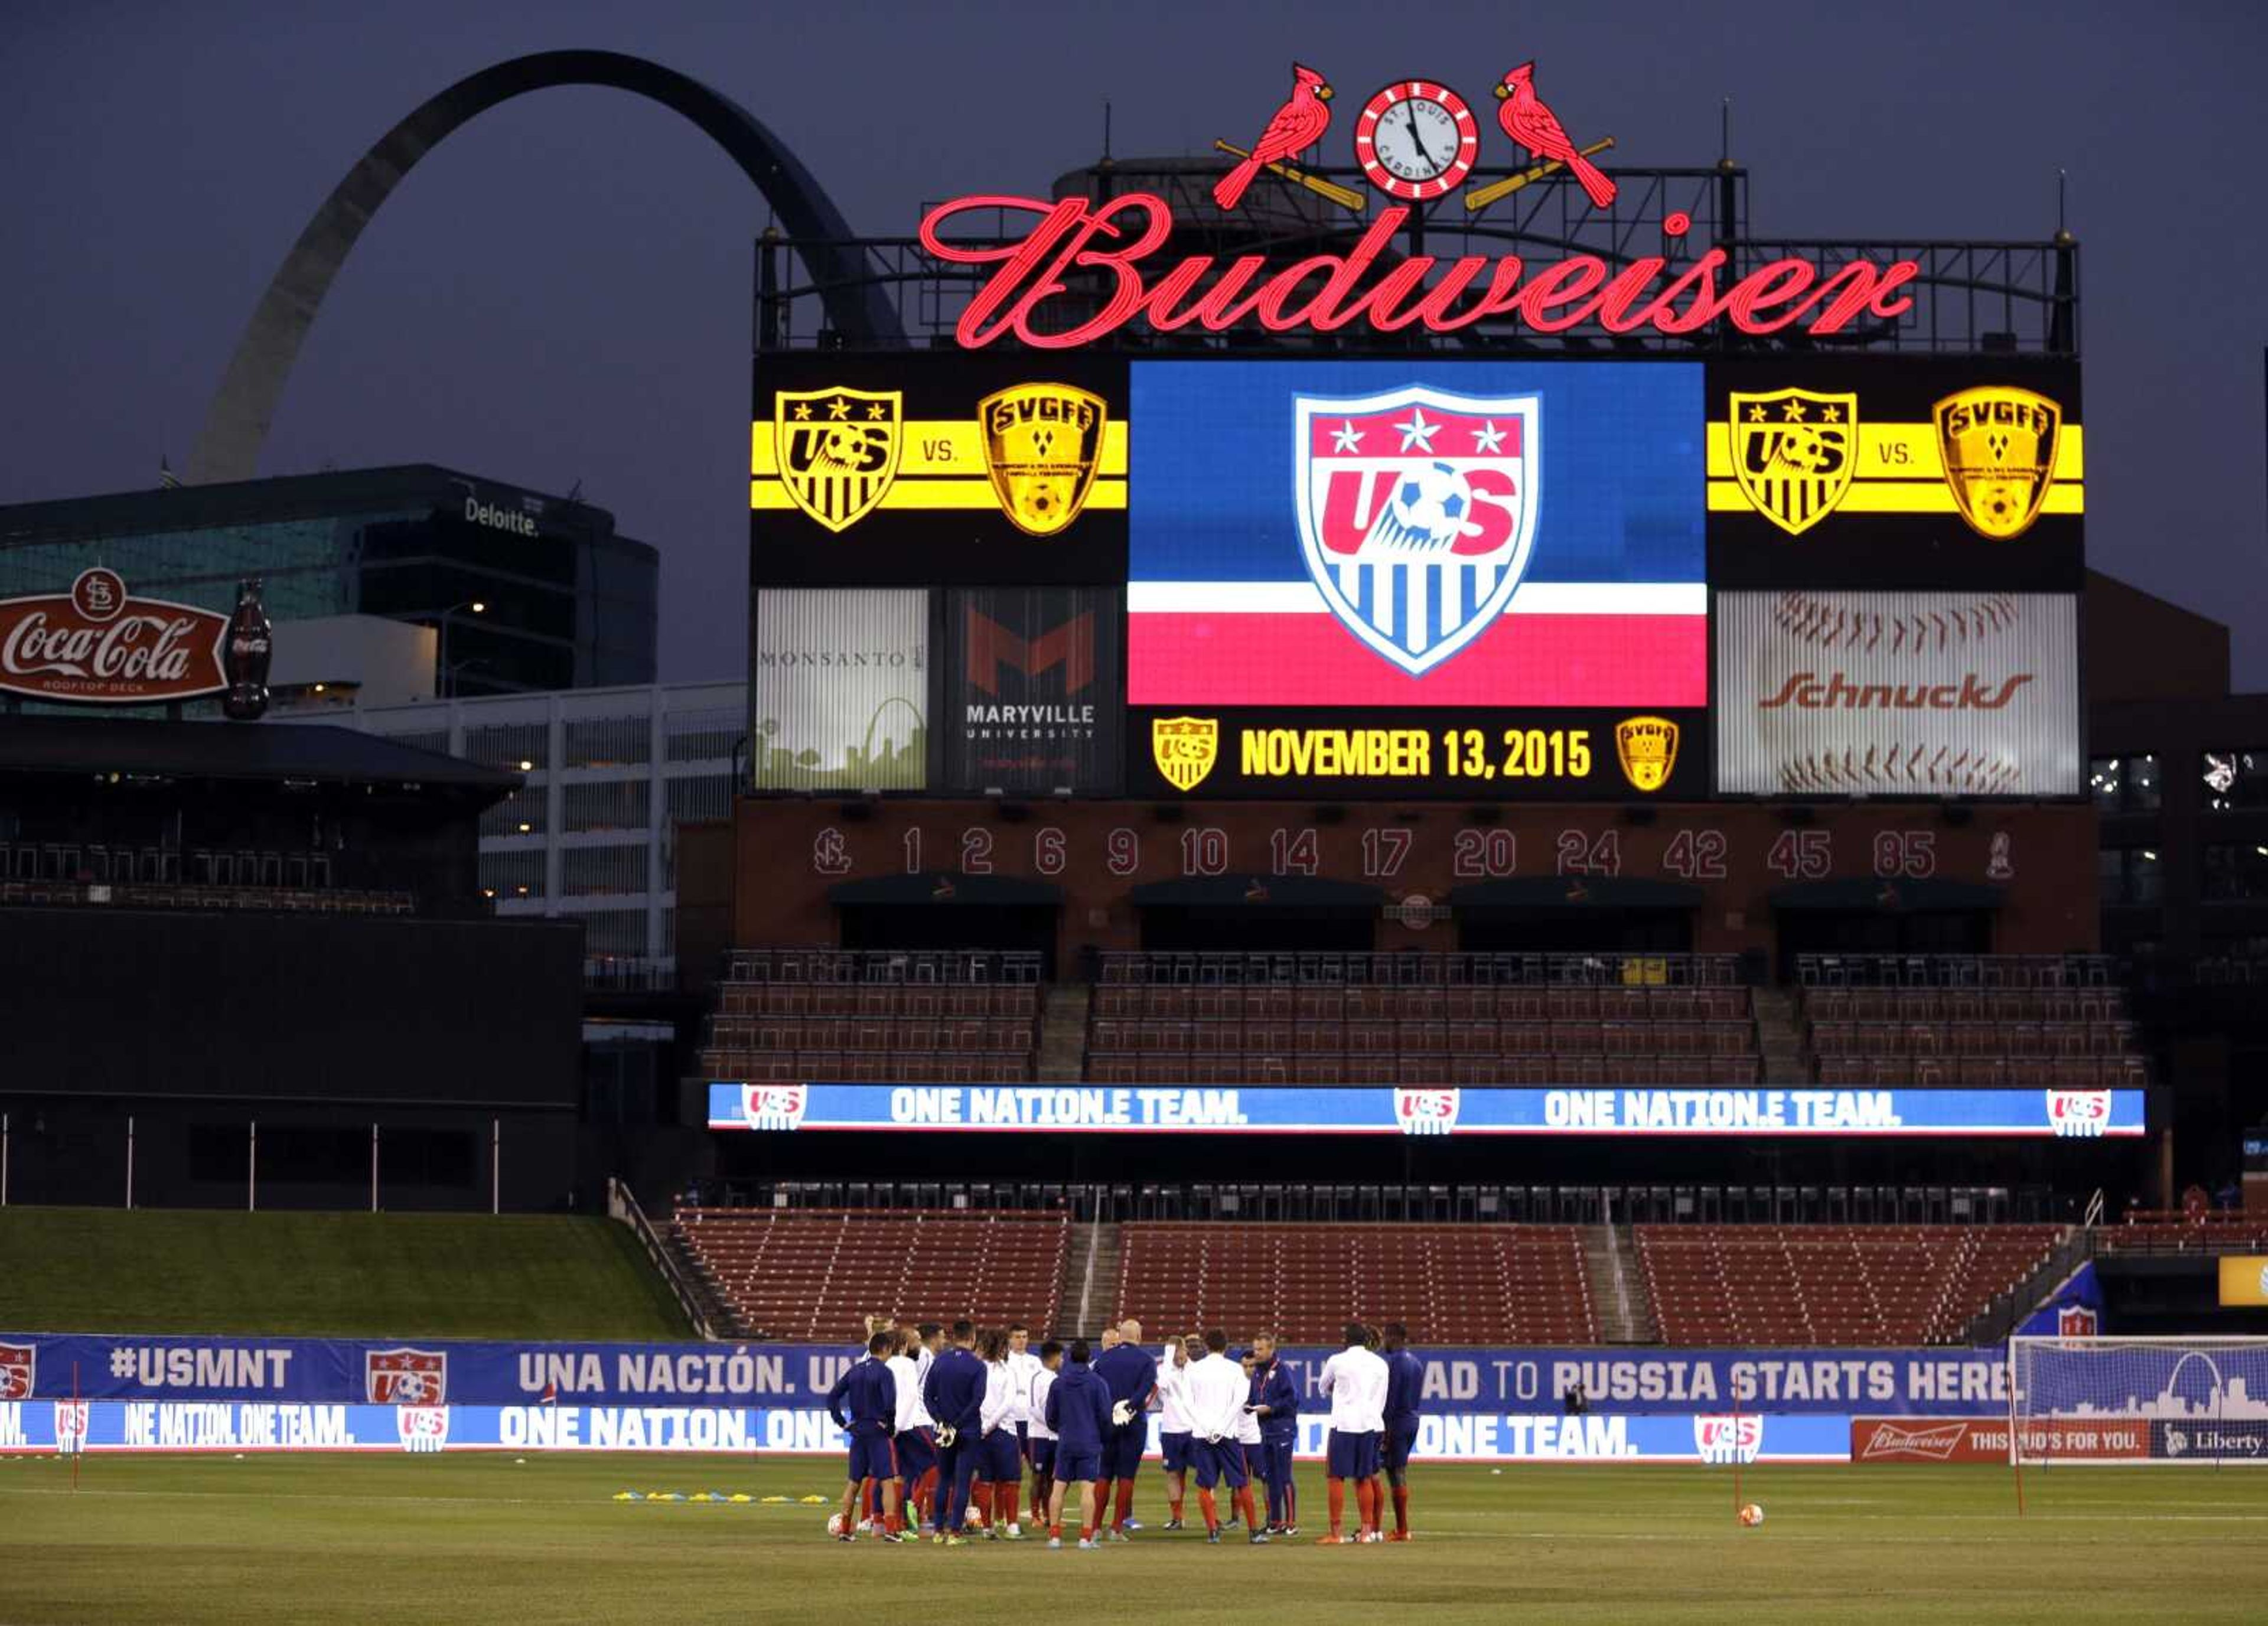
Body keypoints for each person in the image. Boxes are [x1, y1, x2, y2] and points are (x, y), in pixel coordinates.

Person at [1184, 1328, 1266, 1544]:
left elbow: (1188, 1403)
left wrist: (1205, 1426)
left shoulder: (1193, 1370)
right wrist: (1221, 1427)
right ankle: (1254, 1531)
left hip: (1202, 1434)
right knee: (1242, 1483)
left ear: (1205, 1345)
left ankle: (1213, 1531)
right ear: (1226, 1346)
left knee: (1205, 1484)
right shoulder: (1234, 1370)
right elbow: (1239, 1401)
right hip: (1228, 1433)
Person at [1315, 1321, 1389, 1544]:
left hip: (1344, 1424)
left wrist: (1338, 1390)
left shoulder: (1337, 1361)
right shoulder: (1380, 1364)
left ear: (1346, 1340)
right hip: (1370, 1424)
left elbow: (1322, 1387)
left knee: (1336, 1477)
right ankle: (1367, 1533)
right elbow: (1383, 1396)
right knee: (1364, 1478)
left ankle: (1336, 1534)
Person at [825, 1332, 904, 1543]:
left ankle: (844, 1529)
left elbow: (832, 1397)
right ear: (886, 1349)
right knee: (887, 1481)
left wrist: (842, 1422)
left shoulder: (855, 1371)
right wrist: (890, 1425)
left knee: (854, 1483)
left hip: (858, 1431)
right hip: (877, 1433)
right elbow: (890, 1404)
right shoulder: (885, 1373)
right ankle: (890, 1530)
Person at [920, 1320, 987, 1546]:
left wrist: (941, 1422)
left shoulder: (939, 1362)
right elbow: (977, 1401)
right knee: (962, 1482)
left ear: (954, 1336)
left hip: (944, 1431)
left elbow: (928, 1397)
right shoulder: (978, 1366)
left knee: (944, 1479)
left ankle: (939, 1531)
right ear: (972, 1337)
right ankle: (955, 1533)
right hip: (967, 1430)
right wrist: (957, 1424)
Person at [1043, 1338, 1114, 1550]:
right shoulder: (1098, 1383)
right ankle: (1085, 1537)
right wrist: (1102, 1436)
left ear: (1069, 1357)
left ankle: (1055, 1536)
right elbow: (1105, 1416)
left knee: (1058, 1489)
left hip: (1066, 1441)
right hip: (1089, 1441)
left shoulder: (1058, 1383)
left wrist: (1062, 1430)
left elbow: (1050, 1417)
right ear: (1089, 1358)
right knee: (1087, 1490)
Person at [1090, 1318, 1156, 1540]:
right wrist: (1128, 1408)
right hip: (1134, 1423)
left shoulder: (1103, 1359)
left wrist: (1111, 1412)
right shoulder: (1147, 1361)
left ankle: (1096, 1527)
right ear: (1138, 1336)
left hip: (1108, 1423)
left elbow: (1097, 1391)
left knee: (1104, 1473)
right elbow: (1145, 1390)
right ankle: (1117, 1528)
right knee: (1127, 1476)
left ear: (1120, 1336)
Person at [975, 1329, 1026, 1538]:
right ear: (1002, 1347)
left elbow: (974, 1399)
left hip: (980, 1432)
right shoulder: (1008, 1371)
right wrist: (991, 1424)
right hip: (1004, 1431)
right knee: (1011, 1479)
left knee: (985, 1480)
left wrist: (983, 1426)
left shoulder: (977, 1370)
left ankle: (988, 1528)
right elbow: (1008, 1403)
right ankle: (1012, 1525)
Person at [1247, 1332, 1299, 1534]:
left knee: (1285, 1476)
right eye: (1255, 1349)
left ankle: (1291, 1523)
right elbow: (1254, 1396)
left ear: (1271, 1349)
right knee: (1271, 1478)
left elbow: (1292, 1400)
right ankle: (1276, 1521)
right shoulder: (1258, 1373)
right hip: (1266, 1431)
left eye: (1260, 1349)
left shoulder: (1283, 1371)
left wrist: (1271, 1409)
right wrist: (1249, 1406)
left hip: (1282, 1429)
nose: (1257, 1353)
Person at [885, 1328, 936, 1530]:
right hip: (912, 1423)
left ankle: (896, 1523)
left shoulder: (886, 1364)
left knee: (901, 1474)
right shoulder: (907, 1363)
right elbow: (911, 1397)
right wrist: (899, 1424)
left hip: (894, 1425)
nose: (919, 1344)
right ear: (903, 1344)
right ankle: (917, 1509)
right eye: (915, 1340)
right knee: (938, 1463)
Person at [1380, 1321, 1424, 1542]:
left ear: (1393, 1337)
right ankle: (1400, 1528)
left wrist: (1385, 1430)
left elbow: (1391, 1399)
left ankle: (1402, 1529)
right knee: (1397, 1471)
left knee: (1393, 1472)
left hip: (1396, 1422)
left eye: (1386, 1337)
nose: (1383, 1342)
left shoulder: (1395, 1363)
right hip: (1413, 1419)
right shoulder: (1416, 1363)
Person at [1153, 1335, 1200, 1529]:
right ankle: (1177, 1518)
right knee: (1173, 1474)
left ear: (1186, 1350)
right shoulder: (1162, 1372)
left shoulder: (1198, 1371)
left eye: (1180, 1352)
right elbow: (1161, 1386)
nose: (1178, 1357)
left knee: (1204, 1473)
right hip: (1171, 1430)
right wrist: (1167, 1361)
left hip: (1194, 1430)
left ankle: (1211, 1515)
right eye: (1173, 1353)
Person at [1027, 1340, 1063, 1520]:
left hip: (1055, 1436)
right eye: (1061, 1357)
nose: (1062, 1361)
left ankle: (1049, 1515)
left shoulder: (1057, 1379)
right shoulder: (1037, 1377)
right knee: (1038, 1476)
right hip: (1039, 1434)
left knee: (1052, 1477)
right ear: (1055, 1357)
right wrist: (1052, 1424)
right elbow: (1033, 1408)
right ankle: (1035, 1516)